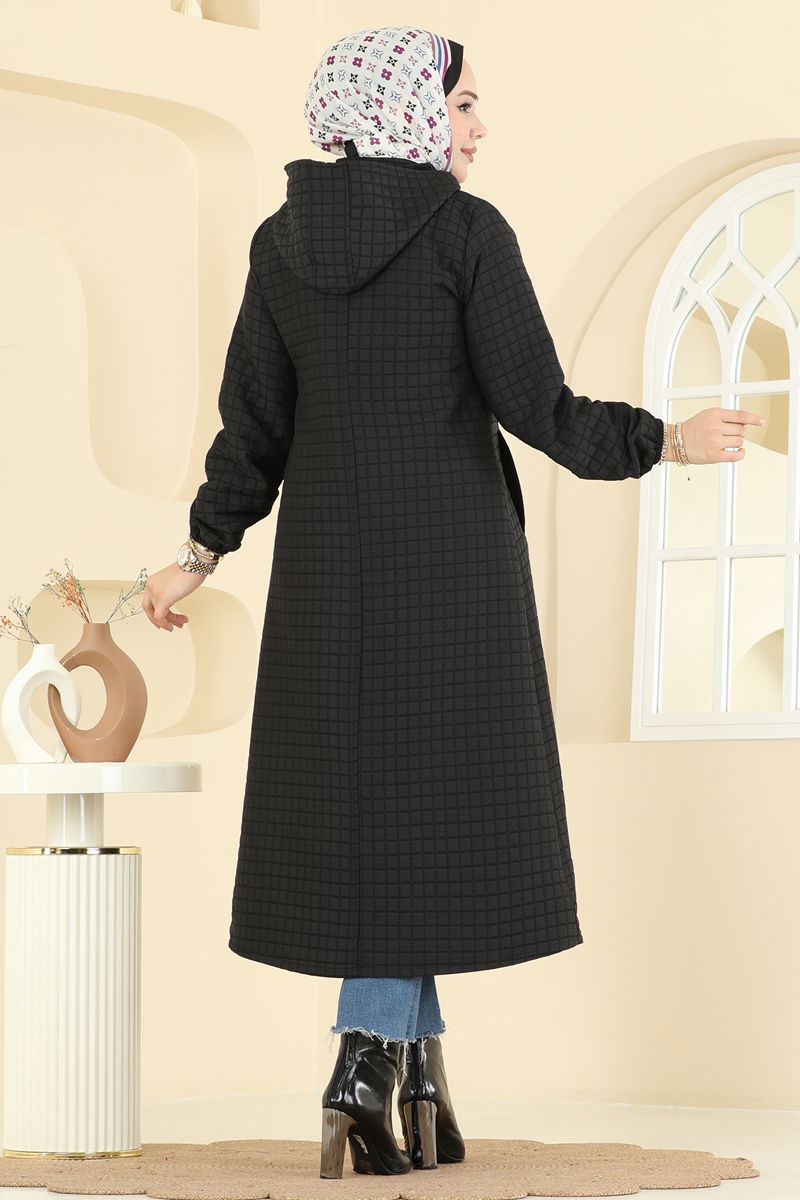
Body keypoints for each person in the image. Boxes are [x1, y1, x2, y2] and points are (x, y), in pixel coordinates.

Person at [142, 24, 766, 1181]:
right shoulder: (465, 232)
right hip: (451, 573)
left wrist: (200, 549)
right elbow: (538, 407)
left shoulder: (280, 242)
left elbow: (253, 427)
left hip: (329, 579)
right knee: (426, 815)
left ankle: (419, 1080)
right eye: (462, 103)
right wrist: (664, 441)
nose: (478, 126)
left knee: (387, 821)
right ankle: (362, 1058)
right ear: (403, 108)